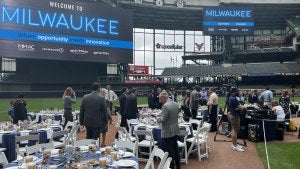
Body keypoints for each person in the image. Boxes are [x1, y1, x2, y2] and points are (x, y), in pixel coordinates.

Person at [157, 91, 181, 169]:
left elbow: (163, 120)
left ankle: (171, 166)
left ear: (164, 97)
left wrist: (158, 119)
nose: (160, 101)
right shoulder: (176, 104)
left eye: (160, 99)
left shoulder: (165, 106)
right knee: (175, 149)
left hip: (167, 130)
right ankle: (178, 166)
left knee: (169, 151)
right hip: (174, 128)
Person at [227, 87, 245, 152]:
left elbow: (235, 107)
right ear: (234, 92)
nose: (238, 92)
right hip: (234, 116)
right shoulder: (234, 98)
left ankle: (234, 144)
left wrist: (238, 107)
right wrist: (242, 107)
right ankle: (235, 146)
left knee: (233, 130)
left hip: (231, 114)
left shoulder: (230, 97)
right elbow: (240, 108)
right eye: (237, 91)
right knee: (235, 130)